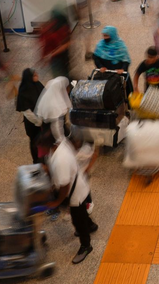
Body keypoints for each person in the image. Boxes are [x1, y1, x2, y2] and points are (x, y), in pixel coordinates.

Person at [38, 128, 99, 265]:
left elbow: (65, 186)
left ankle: (86, 246)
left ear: (47, 145)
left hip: (76, 194)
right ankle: (91, 226)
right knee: (81, 215)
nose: (40, 150)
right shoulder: (56, 147)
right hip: (78, 187)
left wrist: (57, 202)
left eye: (41, 147)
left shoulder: (61, 159)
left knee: (78, 221)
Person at [17, 68, 44, 163]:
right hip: (33, 123)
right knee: (34, 142)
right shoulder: (24, 92)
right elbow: (27, 112)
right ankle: (36, 160)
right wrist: (38, 122)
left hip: (41, 119)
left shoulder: (37, 84)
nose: (37, 76)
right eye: (34, 75)